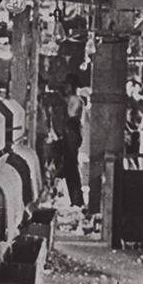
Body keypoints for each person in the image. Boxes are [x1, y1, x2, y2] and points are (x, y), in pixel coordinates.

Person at [57, 74, 87, 210]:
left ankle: (77, 200)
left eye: (68, 85)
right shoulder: (70, 100)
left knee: (71, 169)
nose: (66, 88)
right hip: (68, 134)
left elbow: (71, 115)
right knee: (69, 168)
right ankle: (74, 200)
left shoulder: (77, 101)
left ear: (73, 86)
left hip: (72, 134)